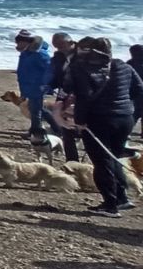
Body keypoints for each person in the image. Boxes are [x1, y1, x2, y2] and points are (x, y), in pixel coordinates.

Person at [66, 37, 143, 216]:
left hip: (98, 119)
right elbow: (139, 88)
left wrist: (79, 120)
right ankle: (121, 198)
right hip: (124, 118)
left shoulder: (83, 68)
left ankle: (110, 205)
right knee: (114, 157)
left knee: (102, 161)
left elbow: (82, 96)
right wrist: (124, 103)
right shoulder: (123, 66)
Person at [14, 30, 55, 137]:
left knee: (36, 110)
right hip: (28, 85)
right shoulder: (25, 53)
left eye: (20, 43)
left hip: (37, 86)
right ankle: (55, 128)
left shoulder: (39, 54)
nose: (18, 45)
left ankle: (36, 132)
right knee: (37, 109)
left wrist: (44, 85)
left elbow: (49, 70)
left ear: (27, 42)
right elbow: (22, 71)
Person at [48, 32, 82, 161]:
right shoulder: (58, 57)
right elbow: (56, 76)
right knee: (66, 130)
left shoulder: (84, 55)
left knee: (82, 128)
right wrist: (49, 85)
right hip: (63, 96)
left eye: (61, 45)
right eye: (56, 46)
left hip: (81, 97)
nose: (59, 49)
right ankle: (72, 162)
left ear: (70, 42)